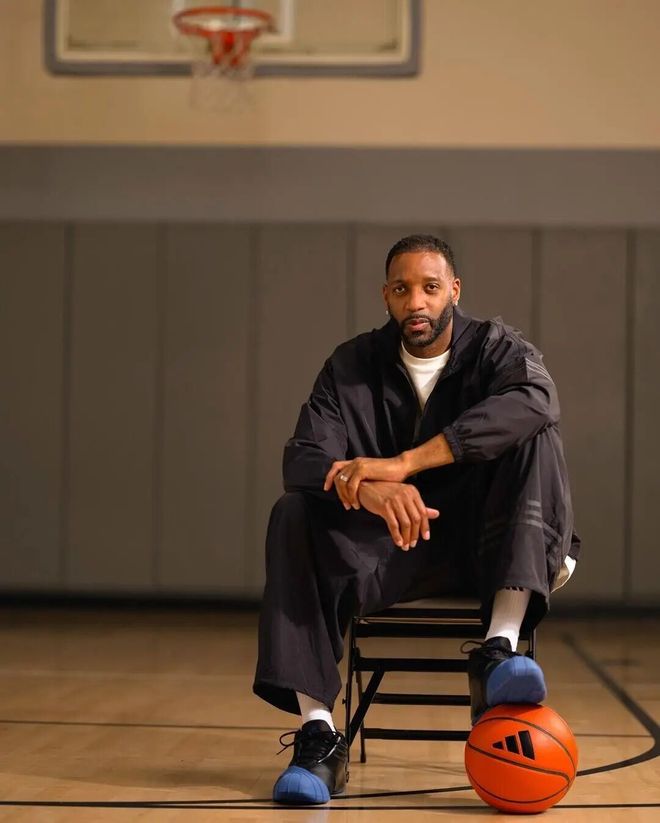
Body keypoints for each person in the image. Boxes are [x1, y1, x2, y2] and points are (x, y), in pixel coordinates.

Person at [253, 234, 580, 805]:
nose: (417, 302)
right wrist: (374, 490)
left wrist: (406, 463)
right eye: (402, 289)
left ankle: (498, 650)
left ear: (454, 290)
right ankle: (319, 736)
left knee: (535, 433)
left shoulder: (496, 348)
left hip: (489, 544)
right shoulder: (351, 365)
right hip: (389, 551)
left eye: (430, 287)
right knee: (293, 511)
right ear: (386, 296)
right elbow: (302, 458)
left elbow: (537, 400)